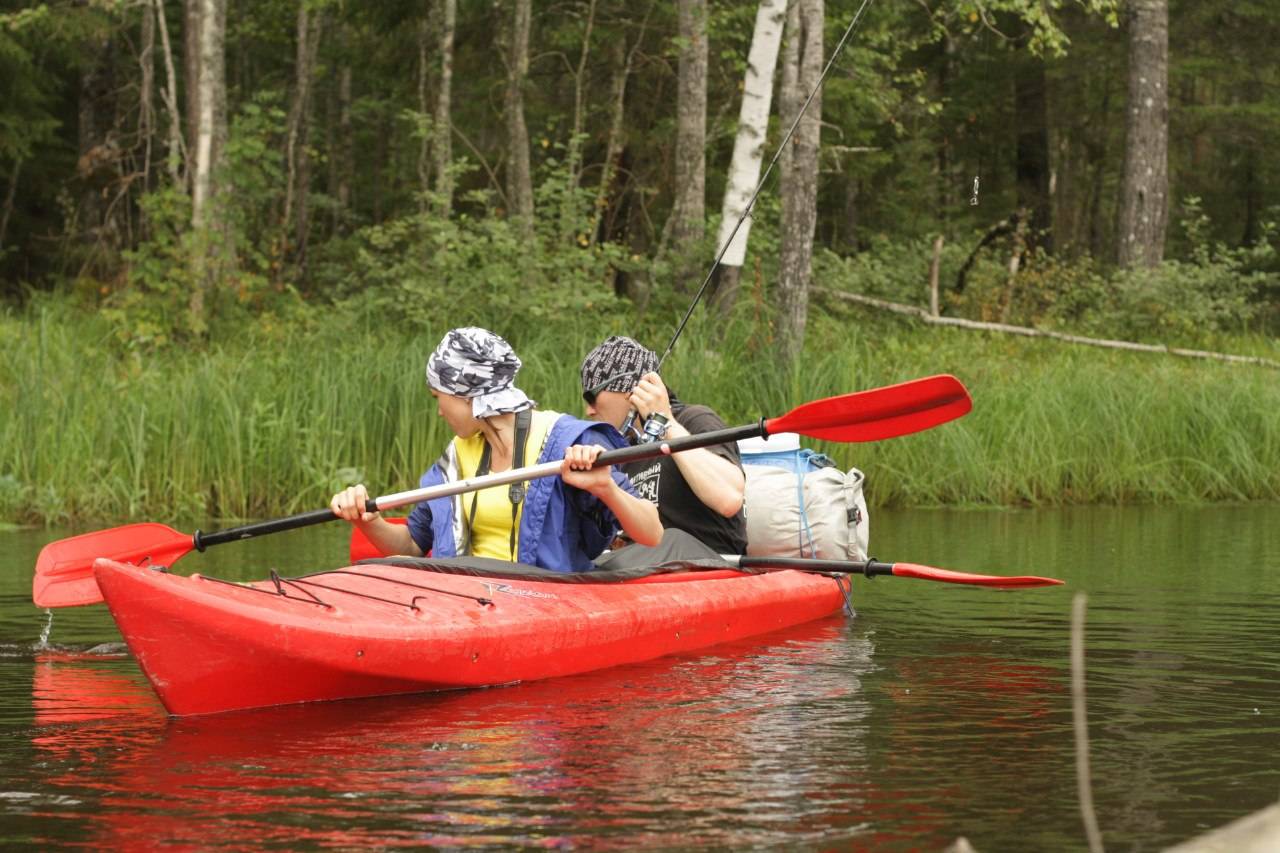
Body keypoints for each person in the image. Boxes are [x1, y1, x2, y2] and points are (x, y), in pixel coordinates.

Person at [331, 327, 662, 572]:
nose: (439, 411)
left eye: (438, 398)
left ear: (465, 393)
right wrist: (368, 520)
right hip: (466, 600)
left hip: (546, 601)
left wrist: (605, 486)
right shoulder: (457, 456)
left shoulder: (570, 441)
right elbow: (414, 545)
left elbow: (651, 533)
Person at [579, 335, 748, 556]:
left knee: (670, 541)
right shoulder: (622, 450)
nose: (589, 410)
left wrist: (664, 422)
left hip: (705, 567)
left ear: (631, 390)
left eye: (591, 396)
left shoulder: (695, 420)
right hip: (641, 570)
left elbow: (729, 499)